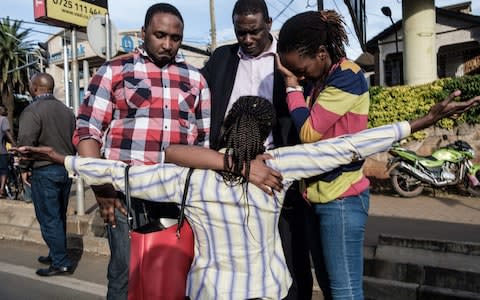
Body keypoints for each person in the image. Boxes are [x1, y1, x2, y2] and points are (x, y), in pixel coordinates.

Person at [16, 92, 480, 299]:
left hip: (211, 293)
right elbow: (348, 145)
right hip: (268, 292)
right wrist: (420, 122)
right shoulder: (277, 167)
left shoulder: (185, 178)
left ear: (224, 129)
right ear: (264, 137)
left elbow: (118, 171)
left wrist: (59, 159)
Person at [72, 3, 212, 299]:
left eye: (175, 37)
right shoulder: (114, 71)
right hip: (124, 195)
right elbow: (88, 130)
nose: (167, 44)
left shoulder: (196, 79)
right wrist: (101, 188)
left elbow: (203, 142)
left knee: (176, 272)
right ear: (143, 33)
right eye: (160, 35)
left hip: (176, 195)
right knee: (125, 273)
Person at [201, 1, 312, 297]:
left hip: (281, 169)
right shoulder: (221, 59)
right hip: (233, 171)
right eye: (241, 33)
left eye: (254, 32)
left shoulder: (288, 58)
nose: (247, 40)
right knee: (237, 254)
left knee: (290, 249)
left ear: (269, 24)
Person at [276, 10, 372, 299]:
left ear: (320, 53)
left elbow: (309, 132)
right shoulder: (321, 80)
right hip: (318, 197)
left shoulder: (347, 77)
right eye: (294, 73)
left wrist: (292, 87)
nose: (300, 76)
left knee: (345, 292)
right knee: (331, 289)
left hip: (341, 199)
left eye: (300, 70)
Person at [17, 73, 76, 276]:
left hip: (45, 170)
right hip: (65, 169)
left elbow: (25, 143)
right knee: (59, 215)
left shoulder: (32, 110)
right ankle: (55, 252)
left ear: (35, 88)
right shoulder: (67, 112)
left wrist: (24, 169)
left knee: (49, 218)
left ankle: (60, 262)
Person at [0, 105, 15, 198]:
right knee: (3, 171)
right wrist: (15, 145)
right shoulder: (3, 119)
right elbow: (7, 133)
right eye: (5, 110)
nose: (6, 112)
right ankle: (1, 190)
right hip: (1, 151)